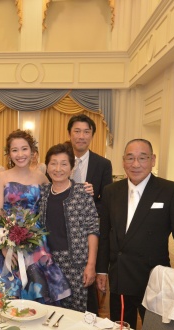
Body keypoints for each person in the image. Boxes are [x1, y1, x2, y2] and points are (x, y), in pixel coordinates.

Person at [96, 138, 174, 329]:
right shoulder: (111, 191)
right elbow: (104, 234)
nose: (136, 164)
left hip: (153, 277)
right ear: (123, 161)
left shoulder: (170, 191)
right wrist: (102, 270)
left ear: (153, 160)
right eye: (130, 158)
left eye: (142, 158)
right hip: (120, 275)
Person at [0, 130, 71, 304]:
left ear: (32, 151)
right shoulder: (2, 176)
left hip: (35, 239)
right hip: (7, 237)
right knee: (5, 290)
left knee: (38, 288)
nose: (20, 154)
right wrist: (3, 245)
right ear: (9, 153)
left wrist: (80, 188)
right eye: (15, 150)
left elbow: (59, 191)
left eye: (24, 149)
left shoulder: (41, 177)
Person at [38, 143, 99, 312]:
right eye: (53, 163)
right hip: (48, 264)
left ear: (71, 168)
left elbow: (93, 229)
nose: (58, 169)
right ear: (47, 167)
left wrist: (91, 264)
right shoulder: (41, 193)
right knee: (50, 312)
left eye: (64, 164)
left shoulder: (82, 193)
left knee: (76, 312)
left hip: (76, 264)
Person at [67, 114, 113, 313]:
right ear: (69, 134)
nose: (81, 136)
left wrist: (91, 201)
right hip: (62, 232)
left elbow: (107, 203)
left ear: (92, 135)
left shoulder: (103, 164)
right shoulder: (60, 160)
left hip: (88, 233)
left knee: (87, 284)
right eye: (77, 131)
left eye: (86, 132)